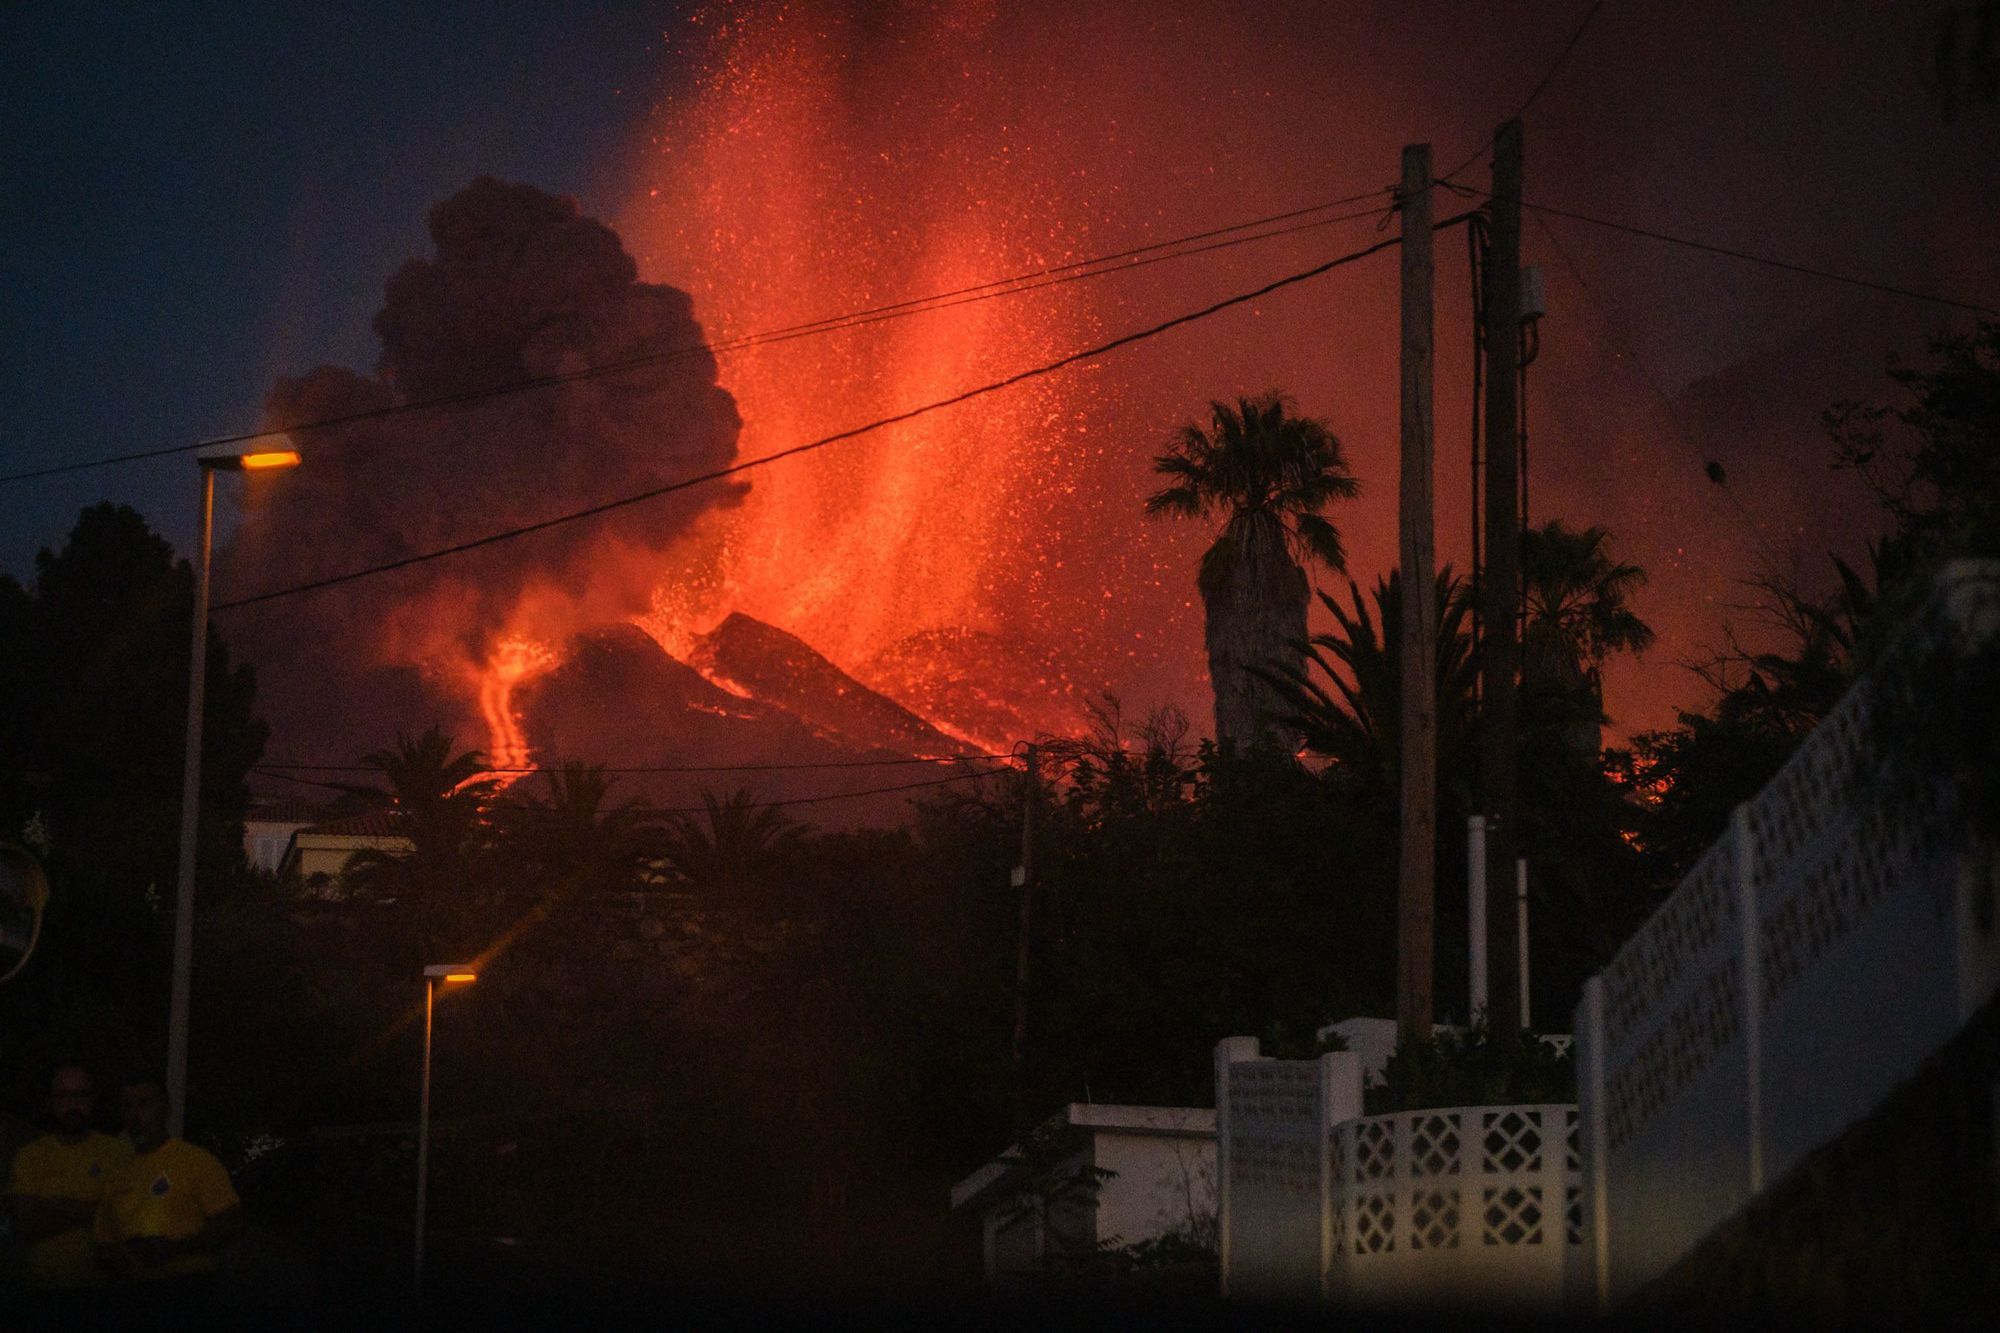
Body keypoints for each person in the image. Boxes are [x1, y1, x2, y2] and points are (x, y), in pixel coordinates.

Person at [92, 1072, 242, 1284]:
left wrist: (174, 1249)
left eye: (144, 1105)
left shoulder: (196, 1161)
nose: (135, 1116)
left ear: (164, 1108)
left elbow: (230, 1221)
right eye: (127, 1107)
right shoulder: (118, 1174)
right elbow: (104, 1241)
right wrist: (121, 1258)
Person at [8, 1063, 133, 1290]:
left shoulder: (118, 1153)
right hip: (42, 1292)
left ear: (93, 1099)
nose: (72, 1105)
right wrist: (92, 1211)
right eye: (63, 1096)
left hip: (103, 1292)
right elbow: (26, 1225)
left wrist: (53, 1205)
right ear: (51, 1102)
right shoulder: (30, 1156)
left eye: (80, 1095)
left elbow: (125, 1219)